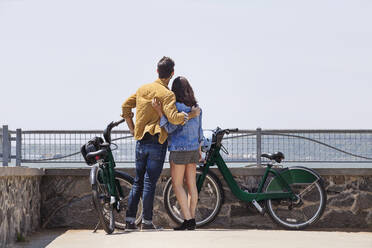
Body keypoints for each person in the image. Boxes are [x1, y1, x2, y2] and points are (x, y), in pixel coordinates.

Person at [121, 57, 200, 231]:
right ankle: (147, 223)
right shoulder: (167, 94)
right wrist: (190, 116)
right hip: (157, 142)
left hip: (140, 141)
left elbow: (125, 106)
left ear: (157, 71)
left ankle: (129, 221)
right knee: (149, 183)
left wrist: (132, 128)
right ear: (171, 73)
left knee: (138, 181)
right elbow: (174, 118)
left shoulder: (143, 89)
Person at [152, 76, 203, 231]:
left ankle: (188, 220)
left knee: (177, 184)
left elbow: (170, 128)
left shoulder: (176, 107)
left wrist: (160, 112)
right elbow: (200, 131)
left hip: (179, 150)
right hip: (194, 149)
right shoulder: (197, 107)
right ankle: (191, 218)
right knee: (192, 185)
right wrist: (199, 150)